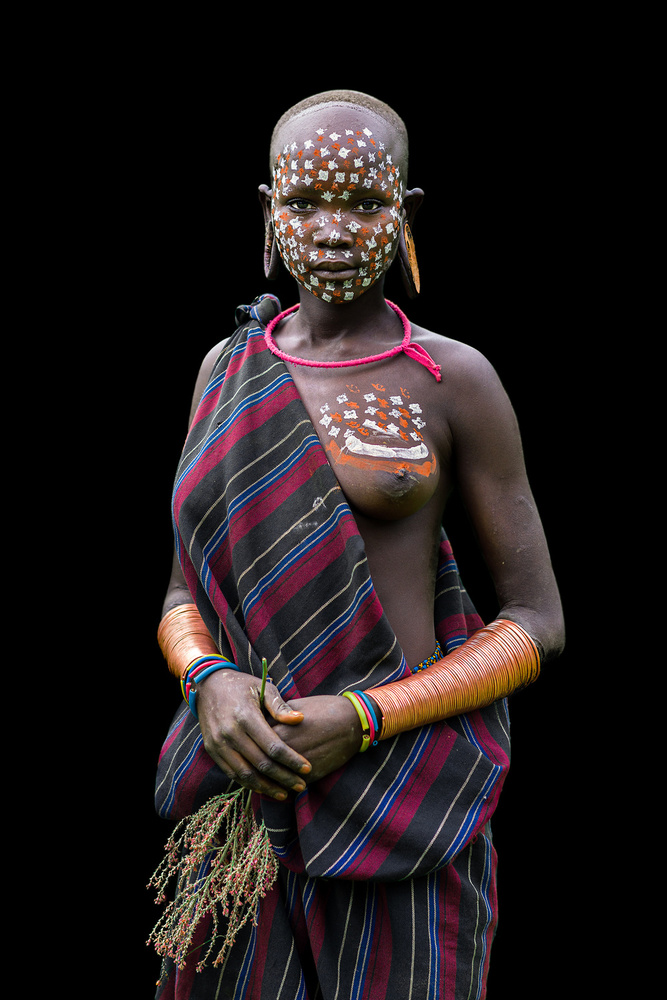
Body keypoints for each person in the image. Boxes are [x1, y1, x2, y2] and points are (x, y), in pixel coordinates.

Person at [150, 89, 565, 1000]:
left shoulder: (451, 380)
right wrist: (207, 681)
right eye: (303, 204)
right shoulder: (226, 370)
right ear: (268, 212)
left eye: (363, 204)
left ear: (404, 215)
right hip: (240, 803)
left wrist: (367, 717)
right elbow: (184, 593)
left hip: (400, 798)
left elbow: (537, 623)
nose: (331, 229)